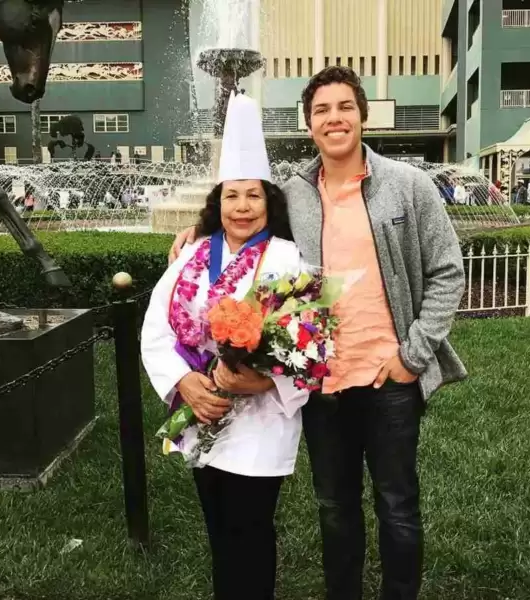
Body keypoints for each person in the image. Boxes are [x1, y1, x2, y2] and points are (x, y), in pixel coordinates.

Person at [169, 66, 467, 600]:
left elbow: (447, 272)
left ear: (362, 115)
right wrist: (199, 229)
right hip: (322, 383)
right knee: (334, 507)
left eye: (345, 107)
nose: (335, 119)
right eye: (322, 110)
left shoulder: (408, 186)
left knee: (397, 505)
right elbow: (246, 220)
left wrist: (413, 355)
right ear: (309, 125)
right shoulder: (294, 196)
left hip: (389, 376)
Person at [141, 92, 309, 600]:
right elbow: (155, 328)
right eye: (232, 196)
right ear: (218, 203)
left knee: (250, 531)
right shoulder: (191, 254)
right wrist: (185, 383)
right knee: (217, 528)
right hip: (201, 414)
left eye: (253, 195)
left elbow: (307, 341)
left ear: (269, 202)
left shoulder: (288, 259)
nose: (242, 207)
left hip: (261, 423)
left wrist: (264, 380)